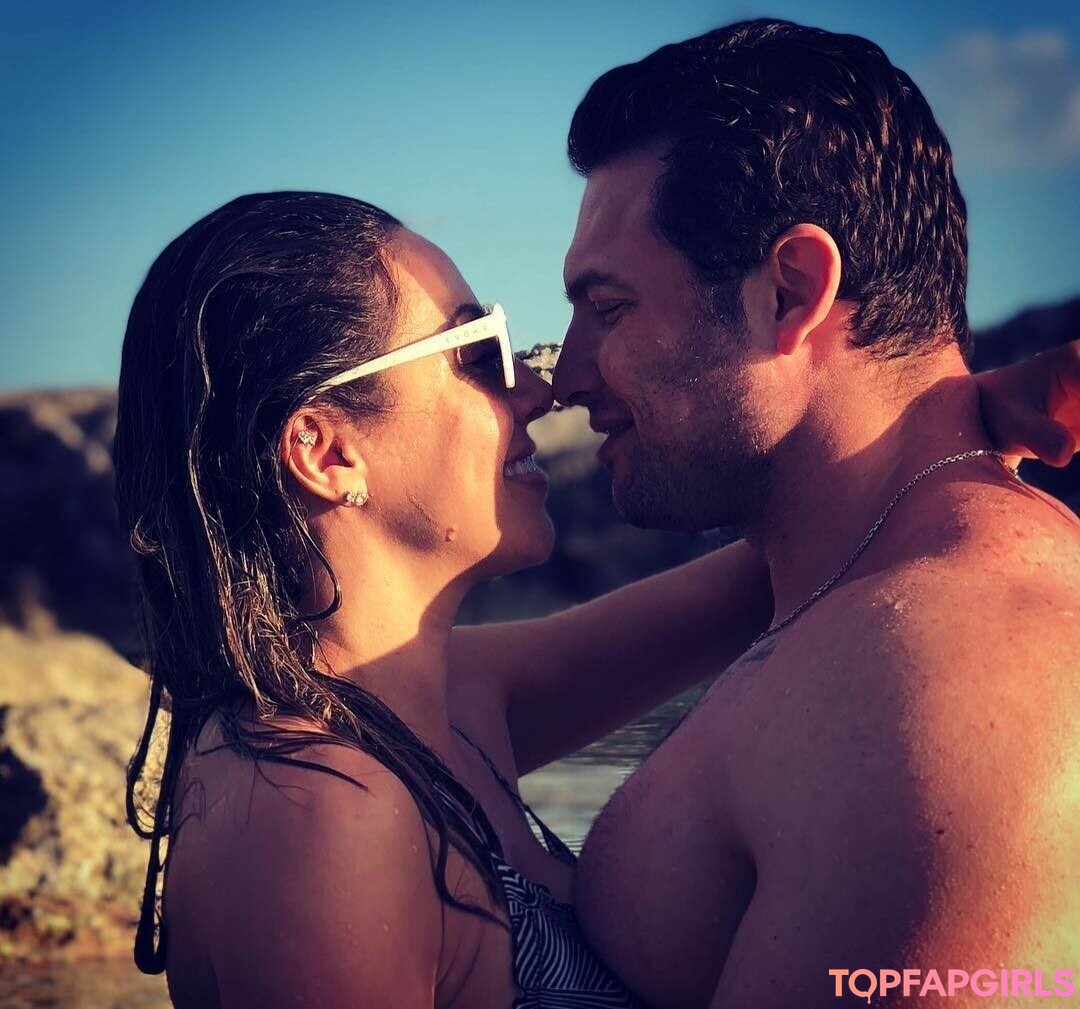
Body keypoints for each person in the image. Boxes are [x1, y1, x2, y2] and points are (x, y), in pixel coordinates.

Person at [113, 151, 1079, 1009]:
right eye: (478, 355)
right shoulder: (318, 809)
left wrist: (948, 427)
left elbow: (798, 556)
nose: (539, 388)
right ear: (326, 451)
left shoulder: (433, 703)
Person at [528, 18, 1080, 1009]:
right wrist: (933, 445)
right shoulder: (860, 590)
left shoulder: (948, 679)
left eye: (607, 309)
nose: (564, 378)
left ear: (790, 292)